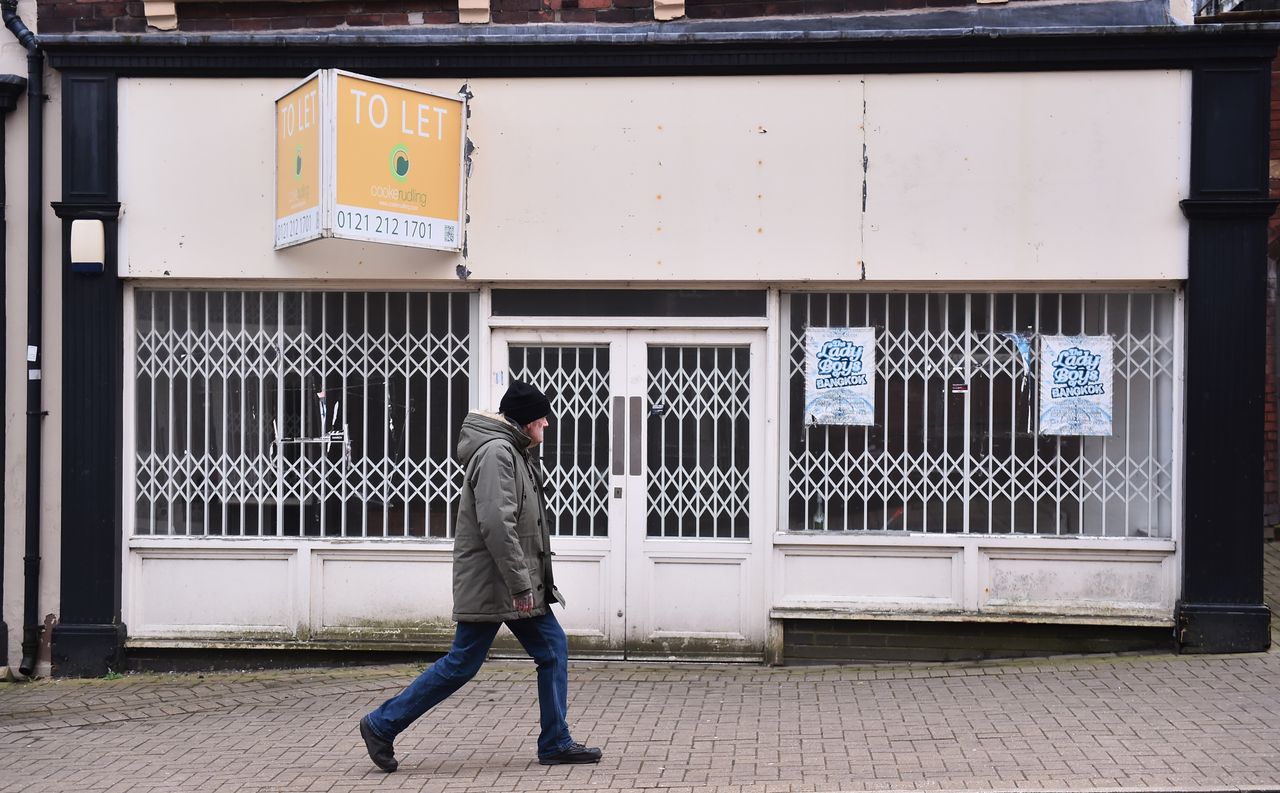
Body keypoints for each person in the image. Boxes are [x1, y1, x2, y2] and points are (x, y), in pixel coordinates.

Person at [358, 380, 603, 773]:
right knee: (463, 663)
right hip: (497, 582)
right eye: (542, 419)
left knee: (551, 647)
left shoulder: (514, 451)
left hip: (506, 579)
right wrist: (521, 583)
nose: (547, 425)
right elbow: (496, 524)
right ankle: (381, 724)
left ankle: (555, 741)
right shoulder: (496, 454)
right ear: (525, 422)